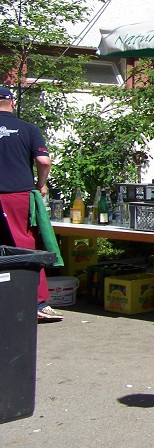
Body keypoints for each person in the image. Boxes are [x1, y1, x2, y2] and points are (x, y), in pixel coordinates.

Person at [0, 87, 59, 322]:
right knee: (26, 246)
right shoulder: (27, 128)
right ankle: (38, 303)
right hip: (17, 194)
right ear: (12, 103)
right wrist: (41, 184)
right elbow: (44, 161)